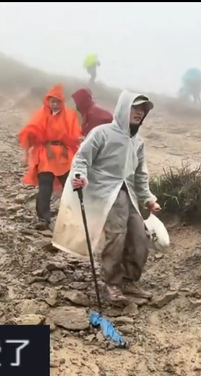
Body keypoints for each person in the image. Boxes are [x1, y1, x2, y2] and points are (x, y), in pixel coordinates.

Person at [54, 90, 160, 303]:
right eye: (135, 108)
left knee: (140, 236)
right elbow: (82, 159)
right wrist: (79, 177)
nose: (139, 113)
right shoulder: (101, 133)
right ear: (123, 108)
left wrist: (148, 197)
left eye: (143, 110)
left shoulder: (137, 142)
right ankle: (112, 283)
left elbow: (140, 175)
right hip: (105, 194)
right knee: (117, 236)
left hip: (127, 194)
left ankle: (130, 279)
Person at [19, 84, 81, 230]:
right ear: (48, 101)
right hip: (45, 155)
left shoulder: (70, 115)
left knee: (70, 186)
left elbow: (75, 135)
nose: (54, 104)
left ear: (62, 102)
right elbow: (29, 131)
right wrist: (25, 154)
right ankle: (43, 218)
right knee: (45, 187)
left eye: (57, 101)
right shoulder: (41, 113)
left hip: (64, 155)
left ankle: (72, 217)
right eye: (52, 101)